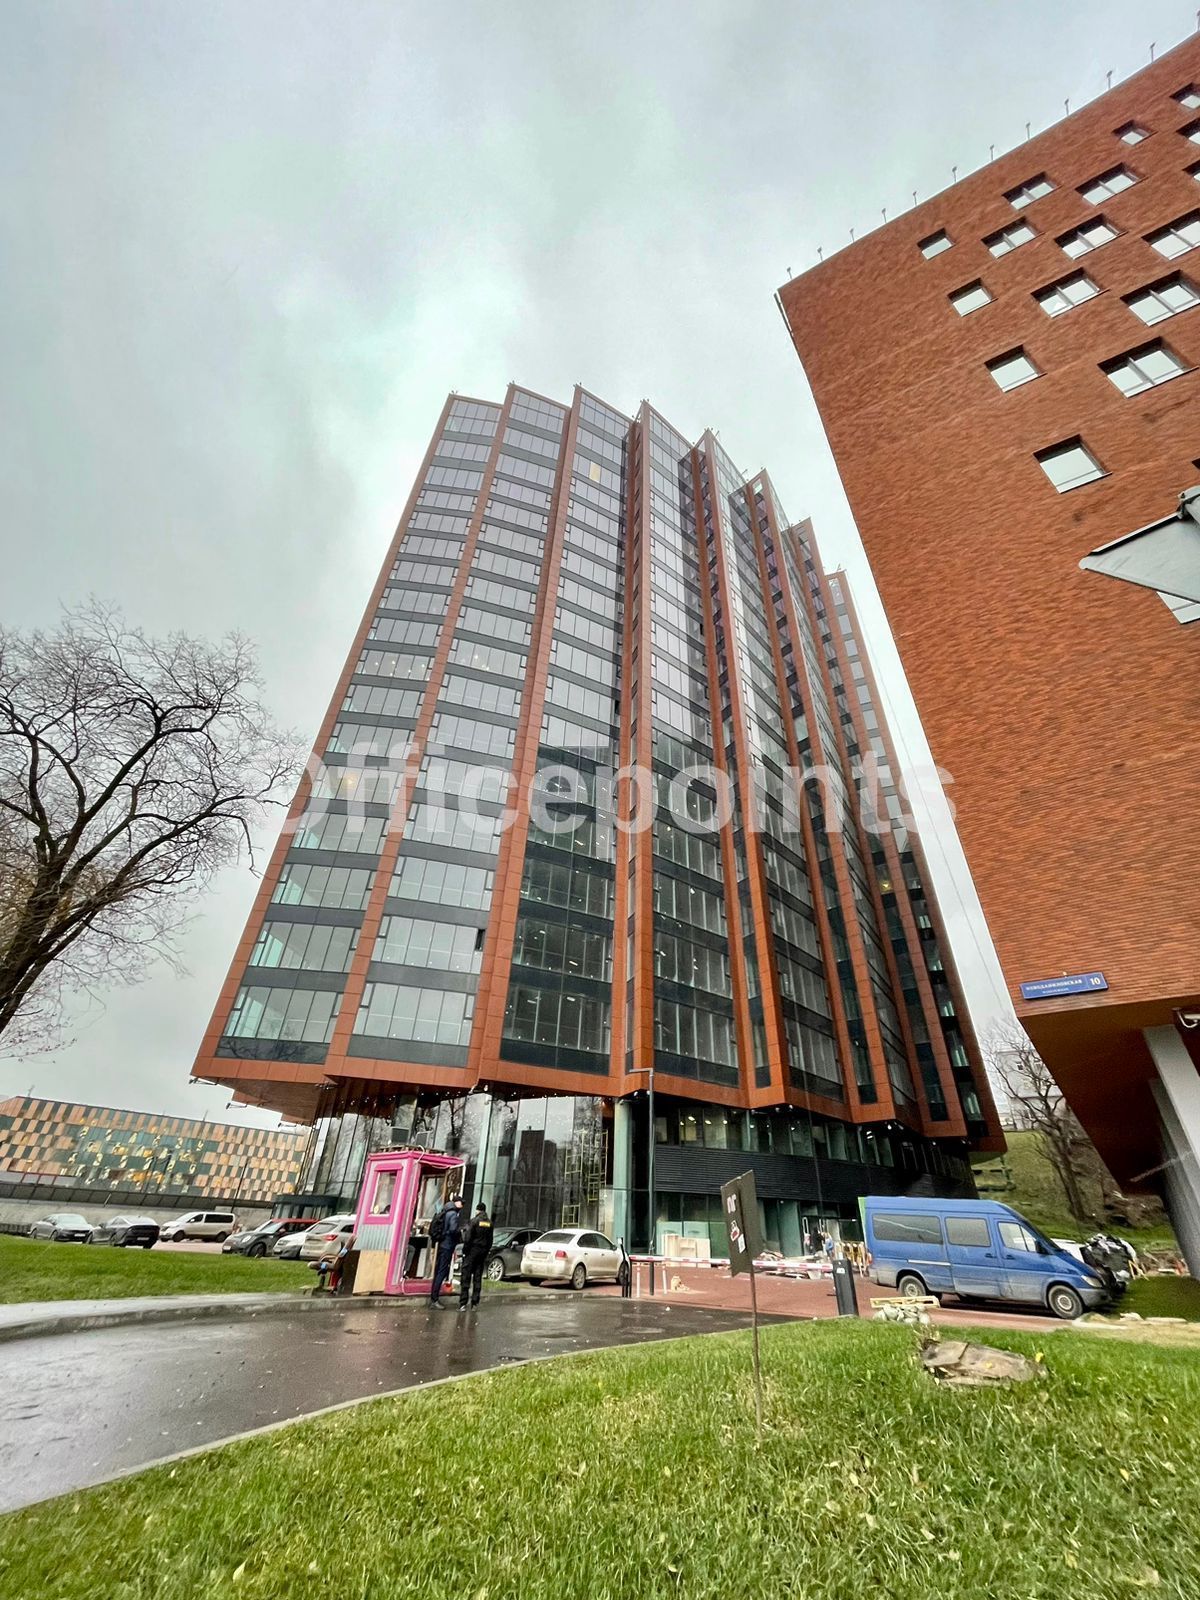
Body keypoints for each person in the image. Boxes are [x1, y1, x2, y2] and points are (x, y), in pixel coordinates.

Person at [428, 1194, 464, 1307]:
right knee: (442, 1271)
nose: (462, 1205)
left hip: (442, 1244)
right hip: (448, 1245)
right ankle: (434, 1299)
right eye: (461, 1203)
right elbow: (453, 1229)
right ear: (456, 1202)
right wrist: (460, 1231)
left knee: (438, 1270)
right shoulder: (453, 1214)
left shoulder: (445, 1211)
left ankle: (433, 1296)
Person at [458, 1203, 494, 1310]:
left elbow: (468, 1238)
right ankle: (475, 1303)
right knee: (477, 1277)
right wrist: (486, 1251)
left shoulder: (474, 1221)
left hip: (472, 1252)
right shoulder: (489, 1223)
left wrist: (465, 1251)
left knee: (466, 1276)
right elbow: (490, 1240)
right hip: (482, 1253)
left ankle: (463, 1303)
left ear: (477, 1210)